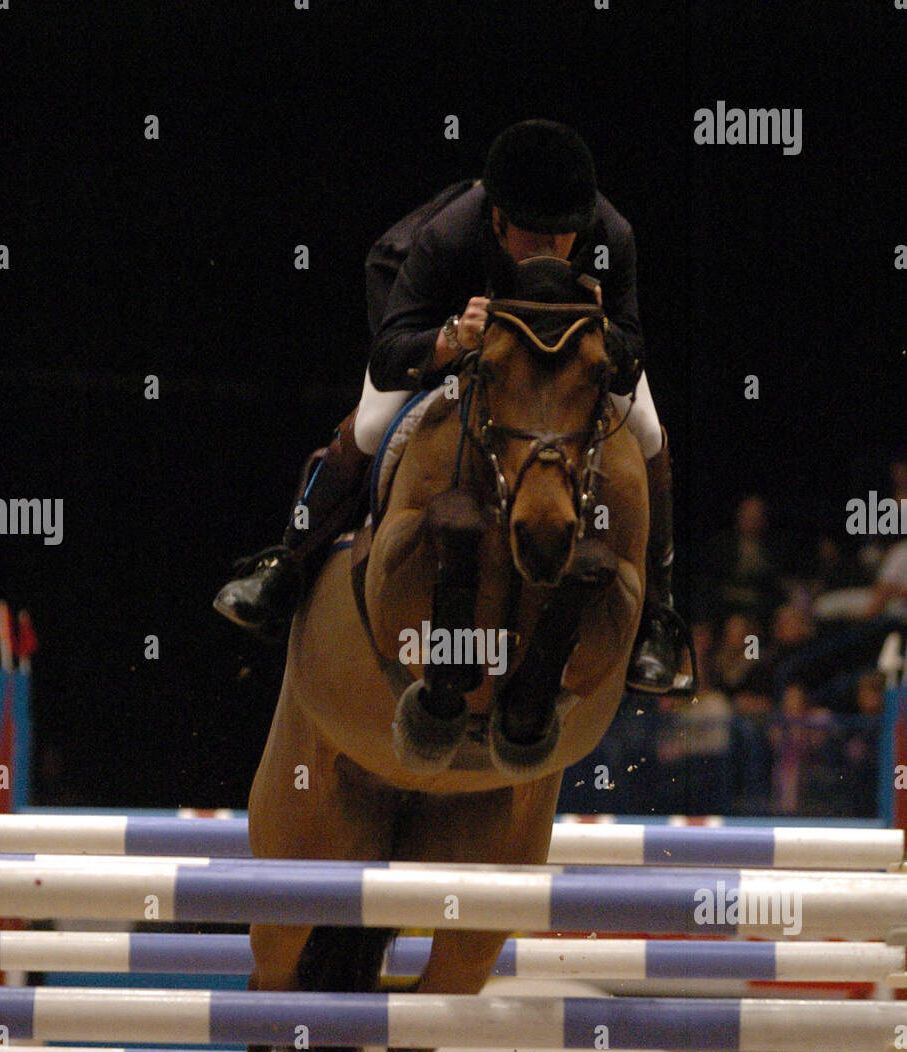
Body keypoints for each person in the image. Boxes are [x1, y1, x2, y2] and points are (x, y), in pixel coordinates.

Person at [214, 120, 691, 693]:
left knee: (648, 431)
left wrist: (601, 334)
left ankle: (658, 617)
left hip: (558, 364)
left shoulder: (610, 236)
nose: (546, 250)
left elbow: (632, 353)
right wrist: (450, 339)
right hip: (438, 334)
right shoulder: (448, 238)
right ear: (496, 216)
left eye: (559, 237)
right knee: (371, 425)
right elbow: (390, 357)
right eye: (529, 234)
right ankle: (283, 565)